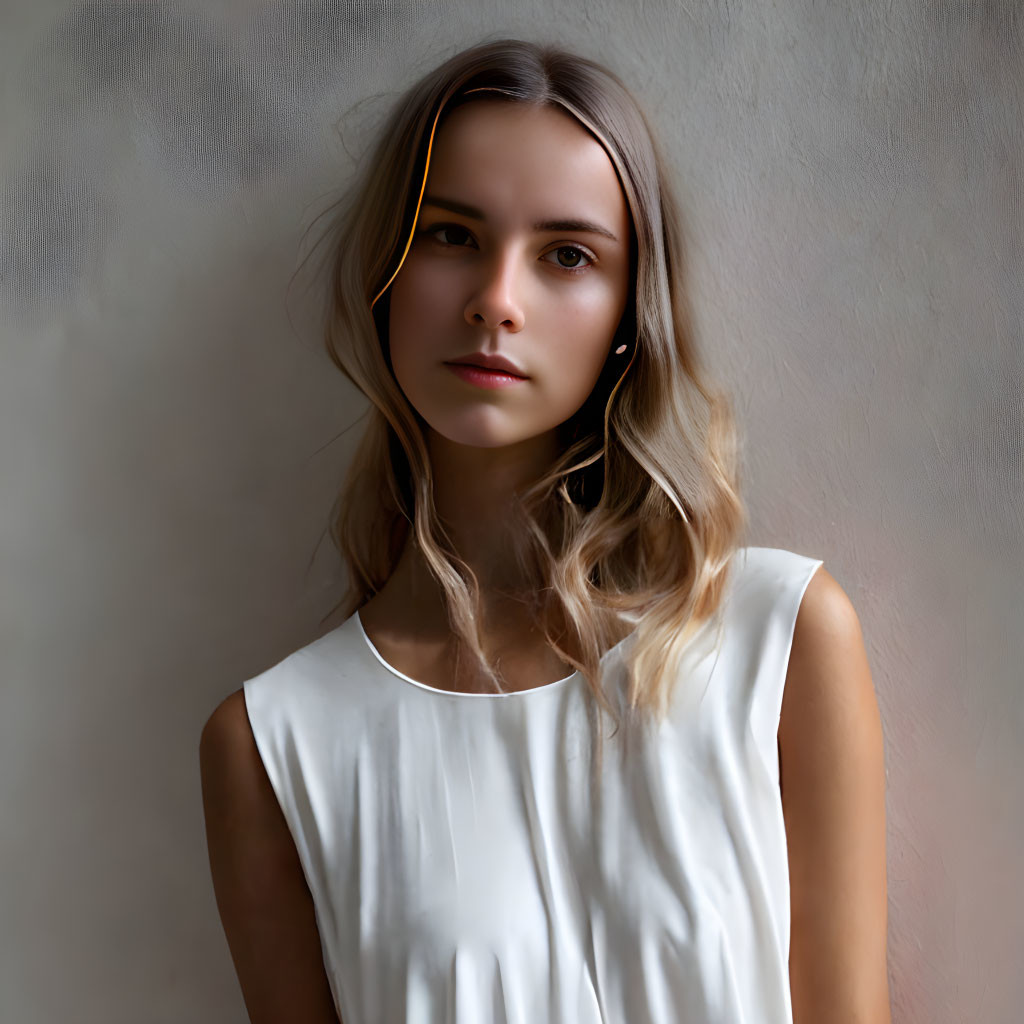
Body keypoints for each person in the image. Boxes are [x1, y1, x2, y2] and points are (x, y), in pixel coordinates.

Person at [199, 37, 891, 1024]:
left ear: (624, 312)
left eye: (567, 254)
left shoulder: (779, 640)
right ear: (384, 273)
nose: (496, 301)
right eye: (450, 236)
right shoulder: (274, 746)